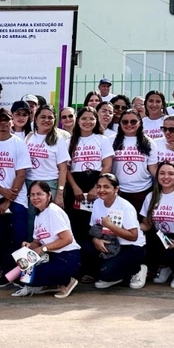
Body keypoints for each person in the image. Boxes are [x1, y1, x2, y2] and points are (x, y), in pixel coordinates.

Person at [0, 108, 30, 288]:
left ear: (11, 122)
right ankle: (8, 274)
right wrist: (1, 193)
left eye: (6, 120)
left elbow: (21, 173)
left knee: (21, 238)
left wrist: (8, 199)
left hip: (17, 199)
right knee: (2, 239)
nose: (3, 123)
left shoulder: (18, 144)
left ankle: (26, 276)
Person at [8, 181, 81, 298]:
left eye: (39, 194)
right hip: (51, 257)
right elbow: (37, 242)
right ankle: (54, 283)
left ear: (48, 195)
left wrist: (43, 248)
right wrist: (29, 245)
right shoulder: (38, 215)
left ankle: (67, 281)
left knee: (27, 277)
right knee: (20, 277)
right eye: (32, 195)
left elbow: (67, 239)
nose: (35, 198)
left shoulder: (53, 211)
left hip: (67, 257)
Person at [62, 106, 114, 247]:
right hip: (76, 184)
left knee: (96, 221)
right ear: (78, 120)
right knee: (77, 222)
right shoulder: (68, 142)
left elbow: (107, 165)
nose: (88, 121)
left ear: (96, 121)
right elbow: (65, 169)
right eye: (84, 118)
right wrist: (74, 188)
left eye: (91, 118)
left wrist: (96, 188)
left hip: (96, 182)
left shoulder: (102, 139)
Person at [83, 173, 146, 289]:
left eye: (106, 187)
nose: (101, 190)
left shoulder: (125, 206)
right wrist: (96, 240)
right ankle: (114, 275)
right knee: (86, 249)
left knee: (104, 273)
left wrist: (110, 226)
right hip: (110, 243)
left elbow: (133, 236)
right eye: (99, 186)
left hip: (130, 246)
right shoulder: (97, 203)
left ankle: (137, 269)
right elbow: (93, 228)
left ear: (116, 189)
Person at [25, 106, 69, 224]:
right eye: (43, 117)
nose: (46, 120)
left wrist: (59, 193)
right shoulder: (29, 137)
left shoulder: (59, 140)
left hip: (50, 185)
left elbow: (63, 169)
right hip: (29, 183)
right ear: (36, 118)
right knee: (31, 220)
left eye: (50, 117)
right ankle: (31, 242)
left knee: (49, 220)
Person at [111, 109, 154, 210]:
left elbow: (153, 169)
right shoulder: (110, 141)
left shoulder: (149, 142)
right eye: (125, 122)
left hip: (143, 190)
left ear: (140, 122)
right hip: (118, 191)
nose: (129, 124)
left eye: (133, 121)